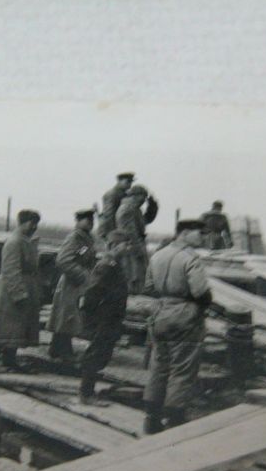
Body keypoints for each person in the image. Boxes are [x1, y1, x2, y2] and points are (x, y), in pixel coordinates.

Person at [143, 219, 212, 434]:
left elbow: (149, 287)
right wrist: (205, 305)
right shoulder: (191, 258)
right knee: (182, 368)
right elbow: (200, 292)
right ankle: (174, 419)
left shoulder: (158, 255)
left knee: (159, 365)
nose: (203, 237)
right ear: (184, 233)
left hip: (160, 312)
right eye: (199, 233)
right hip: (184, 315)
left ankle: (151, 418)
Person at [0, 210, 42, 371]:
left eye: (36, 224)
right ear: (23, 222)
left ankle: (9, 359)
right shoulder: (14, 242)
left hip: (22, 286)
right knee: (2, 326)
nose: (34, 227)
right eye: (32, 223)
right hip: (9, 291)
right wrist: (19, 293)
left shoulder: (25, 241)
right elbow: (10, 270)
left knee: (16, 327)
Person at [79, 230, 131, 405]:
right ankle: (86, 394)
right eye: (125, 244)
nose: (128, 248)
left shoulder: (114, 264)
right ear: (114, 245)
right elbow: (92, 293)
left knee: (102, 353)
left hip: (111, 317)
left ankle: (88, 391)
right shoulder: (106, 265)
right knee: (96, 353)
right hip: (104, 317)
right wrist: (93, 319)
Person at [48, 209, 97, 361]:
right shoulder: (75, 238)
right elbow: (63, 260)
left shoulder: (86, 240)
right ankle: (63, 351)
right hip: (71, 282)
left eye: (92, 220)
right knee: (67, 316)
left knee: (68, 316)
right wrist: (82, 275)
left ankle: (56, 348)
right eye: (87, 220)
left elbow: (82, 256)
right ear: (78, 221)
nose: (90, 223)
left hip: (77, 282)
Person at [116, 184, 152, 294]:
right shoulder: (127, 209)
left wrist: (153, 208)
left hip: (133, 247)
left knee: (138, 276)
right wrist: (139, 250)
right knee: (133, 276)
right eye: (143, 197)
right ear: (135, 195)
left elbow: (144, 222)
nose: (144, 201)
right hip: (131, 249)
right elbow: (130, 233)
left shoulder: (134, 209)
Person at [97, 172, 134, 239]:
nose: (130, 184)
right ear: (119, 181)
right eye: (127, 182)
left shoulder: (124, 194)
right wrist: (114, 233)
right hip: (110, 230)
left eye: (131, 182)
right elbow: (109, 214)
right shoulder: (112, 194)